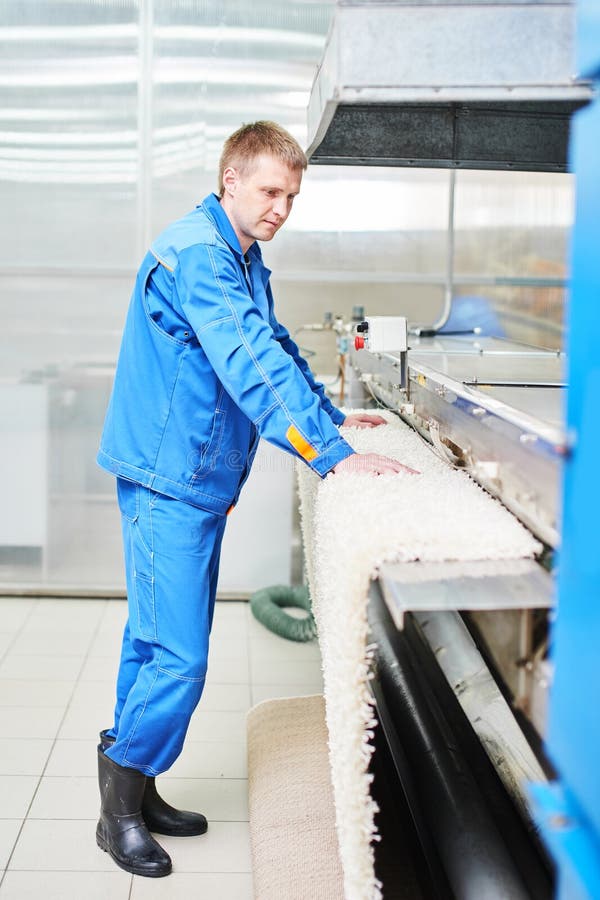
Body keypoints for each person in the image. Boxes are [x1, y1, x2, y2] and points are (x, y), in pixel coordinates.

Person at [95, 120, 417, 878]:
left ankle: (135, 791)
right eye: (270, 190)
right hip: (165, 477)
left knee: (153, 640)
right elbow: (246, 363)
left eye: (292, 195)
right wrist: (333, 457)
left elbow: (271, 345)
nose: (281, 207)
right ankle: (117, 813)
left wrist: (332, 414)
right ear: (230, 180)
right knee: (178, 657)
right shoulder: (203, 256)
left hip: (192, 478)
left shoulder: (240, 254)